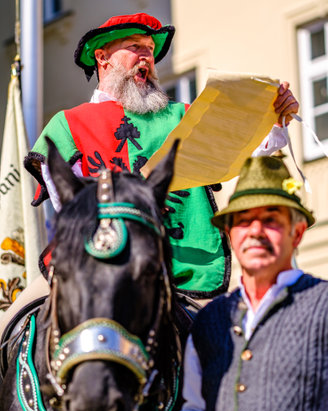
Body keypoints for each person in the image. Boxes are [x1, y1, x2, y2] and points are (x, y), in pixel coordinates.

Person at [24, 12, 300, 303]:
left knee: (230, 338)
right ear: (103, 58)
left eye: (151, 50)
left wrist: (274, 118)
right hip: (92, 265)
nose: (147, 57)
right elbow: (71, 204)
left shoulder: (183, 115)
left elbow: (242, 152)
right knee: (11, 324)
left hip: (182, 267)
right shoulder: (67, 124)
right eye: (135, 47)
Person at [122, 155, 328, 411]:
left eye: (270, 219)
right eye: (243, 221)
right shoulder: (209, 321)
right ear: (229, 234)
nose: (255, 231)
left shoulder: (323, 305)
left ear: (296, 233)